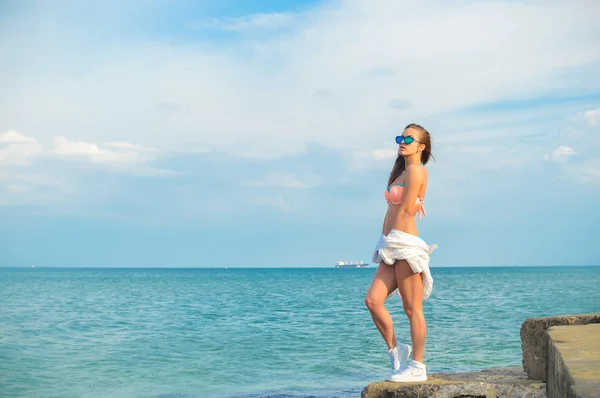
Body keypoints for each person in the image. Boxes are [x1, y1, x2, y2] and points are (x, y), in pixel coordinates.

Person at [364, 123, 438, 382]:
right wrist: (386, 242)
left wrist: (394, 241)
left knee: (412, 308)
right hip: (390, 244)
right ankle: (397, 349)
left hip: (404, 244)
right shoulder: (401, 172)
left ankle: (418, 366)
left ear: (421, 147)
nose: (402, 141)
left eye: (409, 138)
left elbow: (406, 210)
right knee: (373, 301)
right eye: (401, 137)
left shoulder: (417, 169)